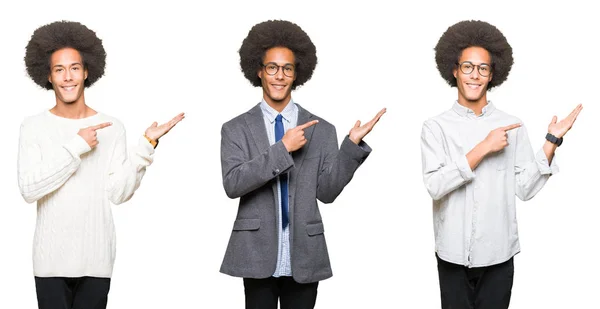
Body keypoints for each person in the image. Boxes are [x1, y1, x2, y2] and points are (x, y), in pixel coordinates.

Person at [18, 20, 184, 309]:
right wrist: (77, 147)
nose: (68, 77)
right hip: (50, 263)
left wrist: (146, 145)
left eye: (74, 68)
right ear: (48, 76)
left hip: (96, 260)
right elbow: (29, 188)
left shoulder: (112, 127)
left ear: (86, 72)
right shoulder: (33, 127)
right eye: (59, 69)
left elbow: (118, 194)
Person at [220, 19, 385, 309]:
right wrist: (283, 148)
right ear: (259, 71)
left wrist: (351, 146)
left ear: (297, 74)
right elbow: (233, 184)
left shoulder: (322, 129)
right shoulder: (235, 129)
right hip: (256, 252)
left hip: (305, 252)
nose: (279, 76)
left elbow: (327, 192)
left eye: (287, 68)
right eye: (272, 67)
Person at [421, 20, 583, 309]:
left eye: (483, 68)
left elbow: (524, 188)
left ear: (492, 74)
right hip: (452, 255)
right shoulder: (435, 127)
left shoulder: (511, 125)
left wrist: (551, 141)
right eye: (467, 67)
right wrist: (483, 148)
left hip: (498, 256)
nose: (474, 75)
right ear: (455, 70)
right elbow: (435, 186)